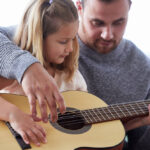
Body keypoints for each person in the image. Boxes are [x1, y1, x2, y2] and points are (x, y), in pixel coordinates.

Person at [0, 0, 87, 146]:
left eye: (73, 39)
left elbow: (86, 117)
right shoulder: (16, 75)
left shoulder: (73, 78)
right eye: (63, 41)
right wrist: (13, 115)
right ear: (39, 37)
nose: (70, 48)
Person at [76, 0, 150, 150]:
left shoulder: (143, 67)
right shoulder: (48, 38)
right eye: (97, 22)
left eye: (118, 22)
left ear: (129, 8)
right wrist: (28, 68)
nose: (107, 35)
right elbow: (13, 41)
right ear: (79, 7)